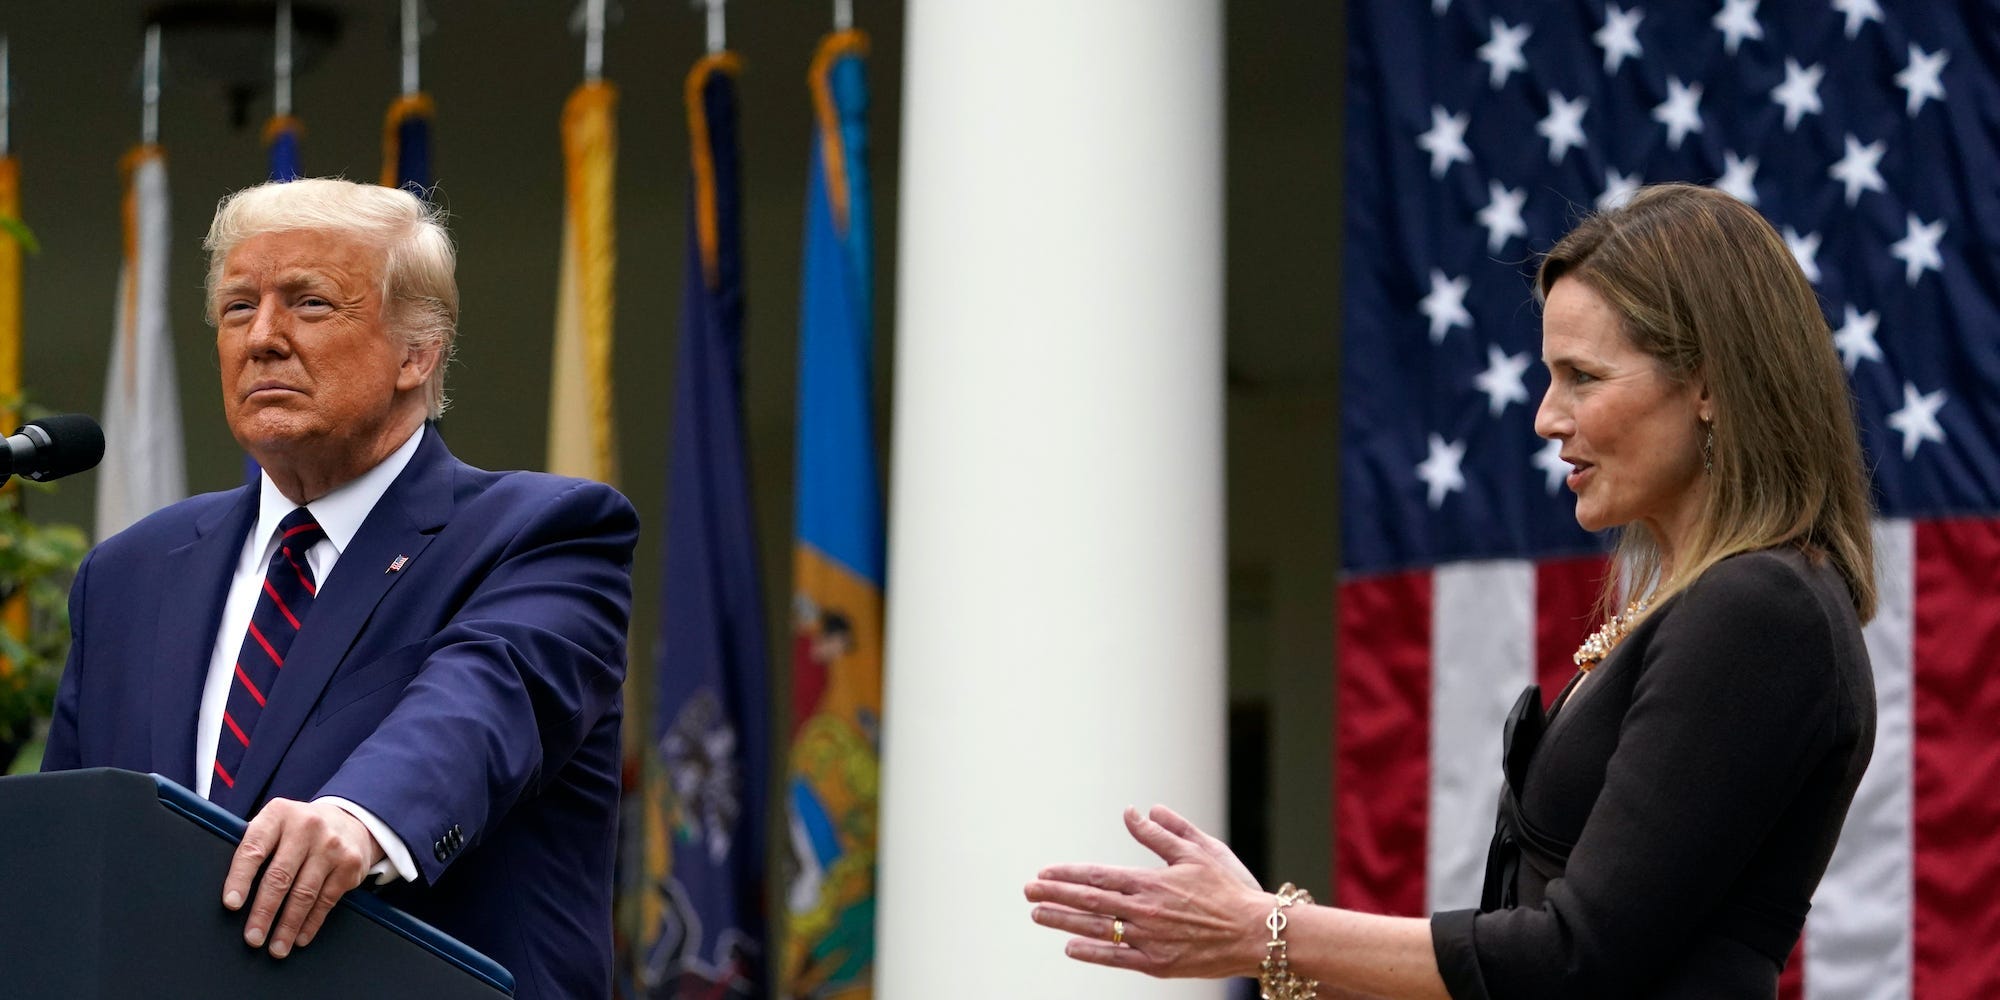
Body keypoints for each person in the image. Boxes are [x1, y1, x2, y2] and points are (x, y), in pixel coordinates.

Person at [1024, 183, 1879, 998]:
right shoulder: (1716, 605)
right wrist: (1265, 940)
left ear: (1709, 386)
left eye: (1583, 376)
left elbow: (1575, 960)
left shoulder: (1762, 608)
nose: (1547, 417)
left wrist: (1266, 930)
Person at [42, 178, 638, 999]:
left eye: (310, 304)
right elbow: (66, 859)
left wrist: (356, 817)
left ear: (416, 352)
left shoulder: (543, 533)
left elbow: (480, 703)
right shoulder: (128, 576)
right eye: (238, 307)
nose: (264, 338)